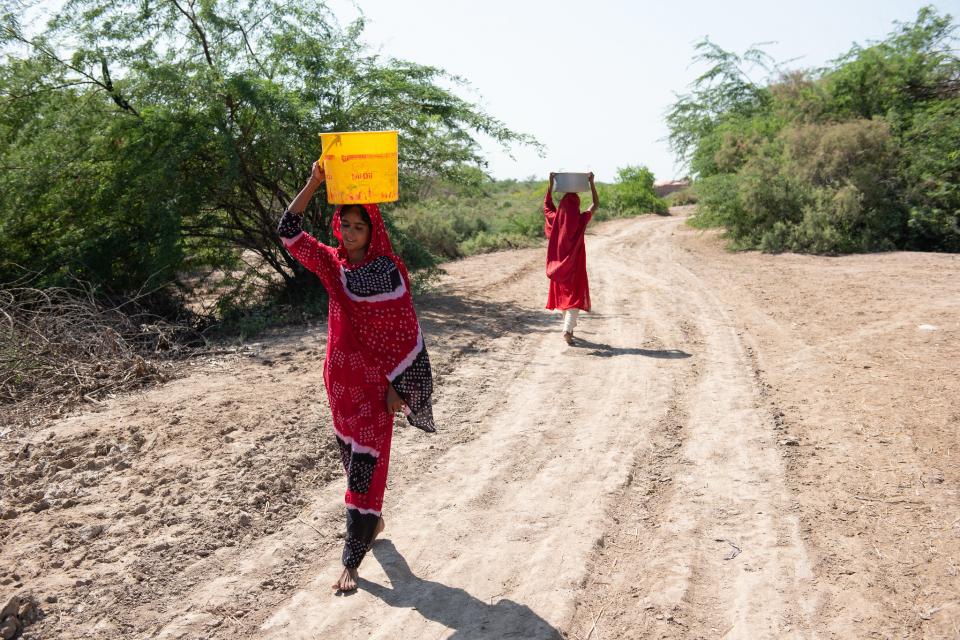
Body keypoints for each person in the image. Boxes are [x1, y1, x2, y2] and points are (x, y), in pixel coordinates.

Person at [277, 161, 435, 593]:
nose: (348, 232)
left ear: (373, 230)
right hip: (339, 383)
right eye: (343, 224)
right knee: (352, 462)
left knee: (367, 466)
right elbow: (288, 232)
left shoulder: (388, 272)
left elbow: (406, 332)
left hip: (374, 390)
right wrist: (314, 181)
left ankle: (351, 557)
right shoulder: (333, 265)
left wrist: (398, 387)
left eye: (357, 226)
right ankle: (372, 522)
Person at [544, 172, 599, 344]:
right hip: (575, 266)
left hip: (558, 267)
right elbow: (595, 204)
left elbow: (547, 205)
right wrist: (591, 183)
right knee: (574, 297)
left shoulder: (555, 220)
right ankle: (567, 330)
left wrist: (551, 182)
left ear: (561, 208)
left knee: (564, 298)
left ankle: (569, 329)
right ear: (576, 207)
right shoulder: (581, 219)